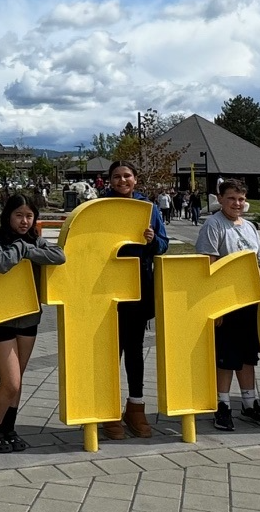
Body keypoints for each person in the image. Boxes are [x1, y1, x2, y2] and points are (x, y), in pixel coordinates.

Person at [0, 193, 66, 453]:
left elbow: (60, 256)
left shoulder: (36, 241)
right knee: (11, 382)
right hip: (1, 318)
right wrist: (23, 248)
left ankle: (9, 429)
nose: (24, 221)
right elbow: (0, 263)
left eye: (29, 216)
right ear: (8, 216)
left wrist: (28, 247)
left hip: (29, 318)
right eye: (19, 215)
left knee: (19, 379)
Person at [192, 179, 260, 430]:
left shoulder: (250, 227)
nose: (237, 203)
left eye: (241, 199)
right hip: (226, 303)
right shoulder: (213, 225)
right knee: (226, 358)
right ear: (220, 199)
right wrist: (214, 306)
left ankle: (250, 405)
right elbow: (209, 265)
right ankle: (223, 405)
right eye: (231, 198)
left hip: (250, 302)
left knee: (248, 356)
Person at [100, 159, 170, 439]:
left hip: (139, 286)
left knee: (135, 349)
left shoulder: (149, 208)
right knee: (109, 351)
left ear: (136, 179)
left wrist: (152, 240)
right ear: (109, 181)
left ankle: (136, 407)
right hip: (106, 288)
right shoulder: (100, 207)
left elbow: (163, 246)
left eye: (127, 176)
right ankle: (108, 410)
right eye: (116, 176)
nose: (122, 181)